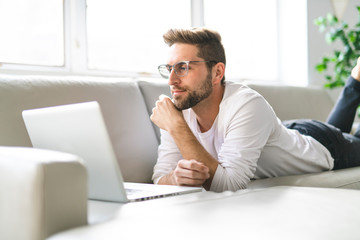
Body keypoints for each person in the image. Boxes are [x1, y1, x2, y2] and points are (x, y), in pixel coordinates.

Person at [150, 27, 360, 192]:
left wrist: (177, 126)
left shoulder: (247, 103)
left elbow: (228, 186)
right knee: (337, 130)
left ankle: (355, 79)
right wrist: (175, 178)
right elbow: (159, 177)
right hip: (285, 133)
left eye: (183, 67)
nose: (171, 80)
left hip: (325, 147)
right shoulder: (180, 106)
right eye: (169, 69)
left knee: (344, 137)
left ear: (217, 72)